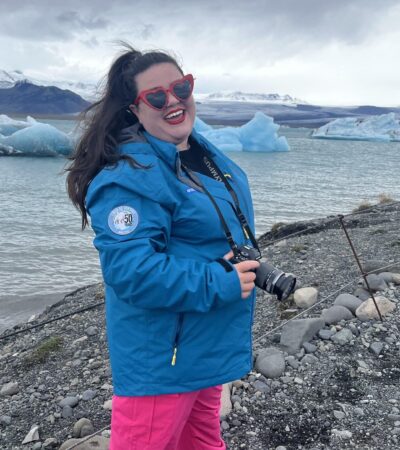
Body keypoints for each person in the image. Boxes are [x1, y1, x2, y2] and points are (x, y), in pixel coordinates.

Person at [66, 43, 259, 450]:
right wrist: (218, 280)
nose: (172, 101)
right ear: (134, 110)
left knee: (204, 440)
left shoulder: (199, 154)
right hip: (163, 359)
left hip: (205, 340)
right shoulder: (129, 178)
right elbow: (130, 272)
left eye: (181, 88)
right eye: (156, 96)